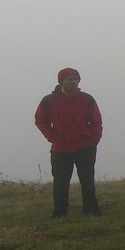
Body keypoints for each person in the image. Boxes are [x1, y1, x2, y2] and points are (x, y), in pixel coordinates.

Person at [34, 67, 103, 218]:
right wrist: (52, 137)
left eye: (75, 79)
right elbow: (40, 120)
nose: (72, 82)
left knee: (87, 180)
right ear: (61, 82)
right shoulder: (49, 100)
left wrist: (93, 140)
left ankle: (91, 210)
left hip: (85, 147)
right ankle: (59, 212)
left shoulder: (87, 99)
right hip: (60, 149)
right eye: (69, 79)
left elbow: (96, 121)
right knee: (60, 182)